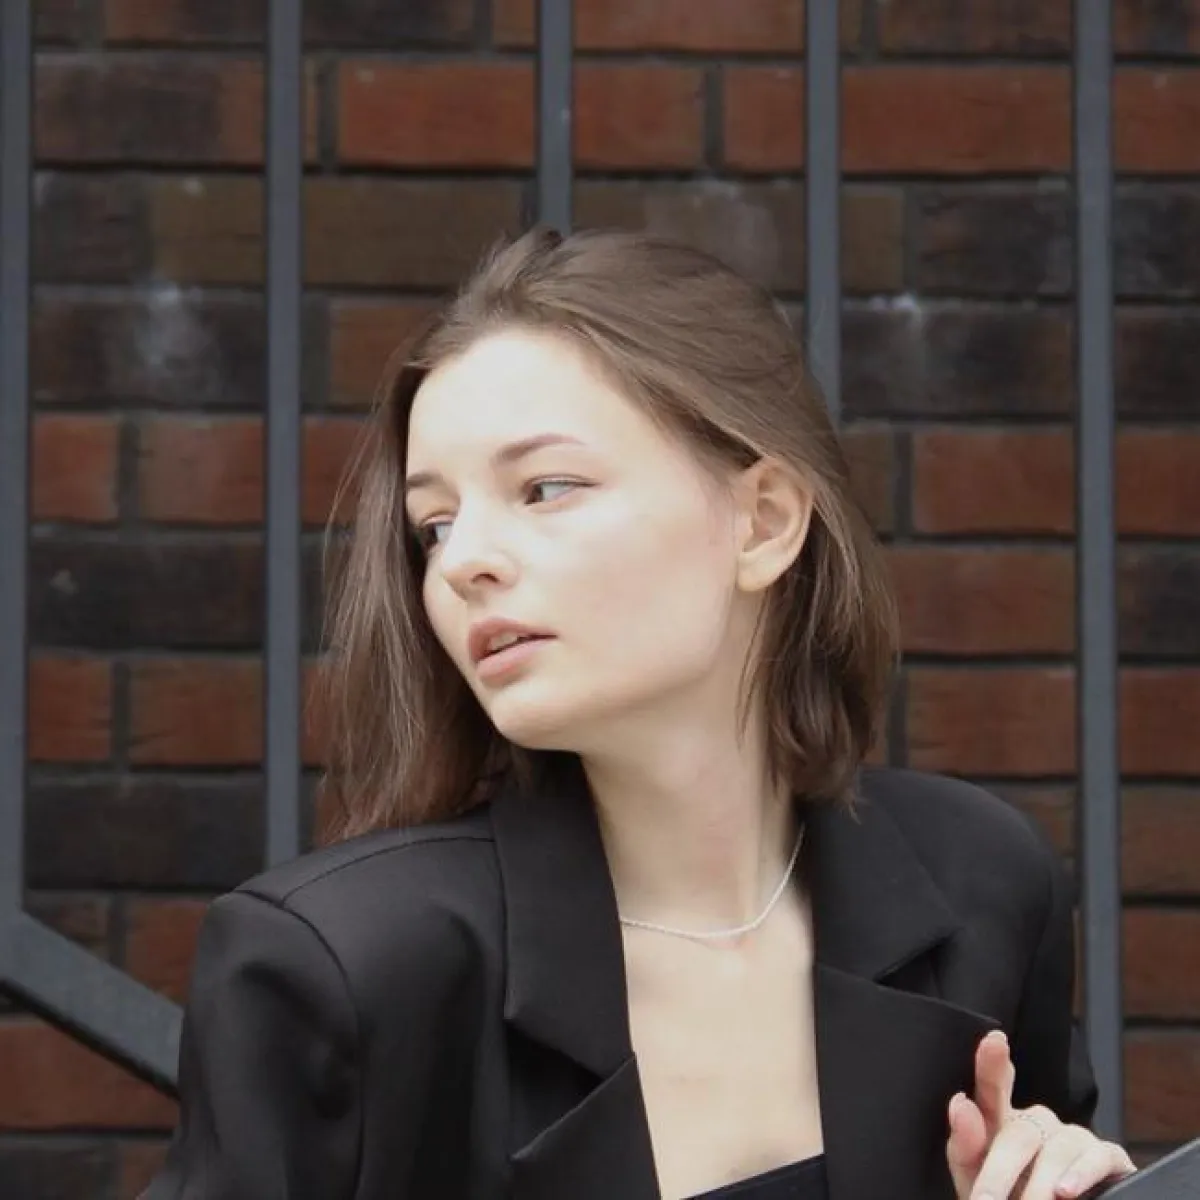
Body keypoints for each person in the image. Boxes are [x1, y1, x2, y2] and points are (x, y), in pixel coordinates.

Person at [142, 228, 1136, 1200]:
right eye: (433, 525)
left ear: (764, 522)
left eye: (546, 487)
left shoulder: (977, 884)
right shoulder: (346, 965)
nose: (463, 561)